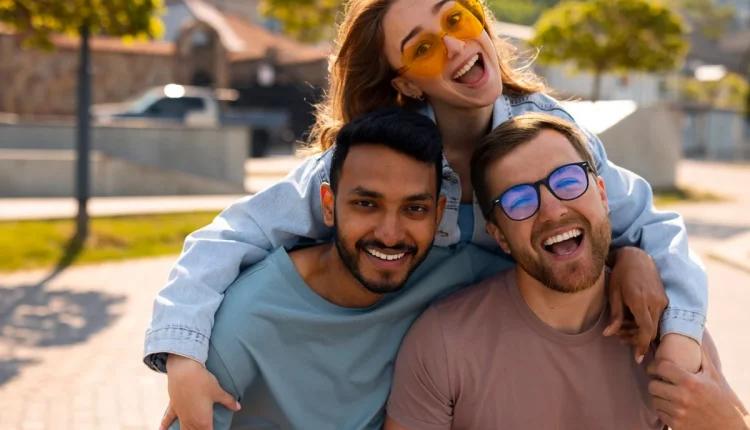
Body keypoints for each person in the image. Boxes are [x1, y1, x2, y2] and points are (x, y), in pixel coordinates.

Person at [146, 0, 708, 427]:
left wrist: (642, 272)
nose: (455, 47)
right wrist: (183, 357)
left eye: (457, 20)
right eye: (422, 48)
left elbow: (645, 222)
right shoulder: (380, 162)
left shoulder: (549, 135)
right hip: (396, 363)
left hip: (502, 369)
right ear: (405, 80)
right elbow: (231, 235)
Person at [384, 113, 748, 430]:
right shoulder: (444, 344)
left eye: (568, 181)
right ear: (500, 236)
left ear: (603, 195)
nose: (553, 210)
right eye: (519, 200)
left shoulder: (669, 329)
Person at [166, 109, 514, 430]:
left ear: (438, 214)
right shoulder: (247, 321)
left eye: (414, 209)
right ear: (329, 205)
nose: (390, 234)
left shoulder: (459, 274)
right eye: (367, 204)